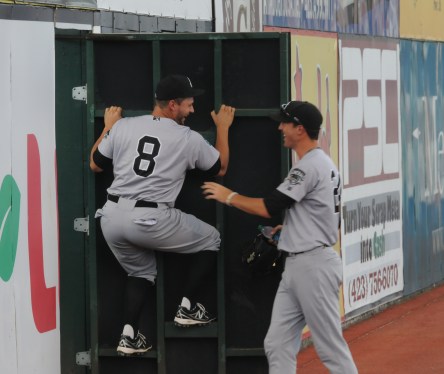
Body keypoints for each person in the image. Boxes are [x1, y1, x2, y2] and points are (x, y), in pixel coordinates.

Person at [202, 101, 358, 373]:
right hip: (301, 264)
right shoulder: (319, 163)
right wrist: (291, 228)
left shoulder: (309, 166)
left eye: (285, 123)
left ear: (300, 129)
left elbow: (268, 206)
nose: (280, 127)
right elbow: (317, 211)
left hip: (313, 266)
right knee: (277, 343)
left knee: (330, 348)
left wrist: (228, 197)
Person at [90, 74, 235, 356]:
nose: (192, 110)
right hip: (150, 218)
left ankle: (129, 335)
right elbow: (220, 168)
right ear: (172, 104)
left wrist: (108, 127)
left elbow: (95, 164)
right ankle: (188, 307)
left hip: (111, 217)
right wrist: (224, 128)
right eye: (189, 105)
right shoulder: (186, 136)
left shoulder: (123, 126)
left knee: (141, 271)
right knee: (211, 238)